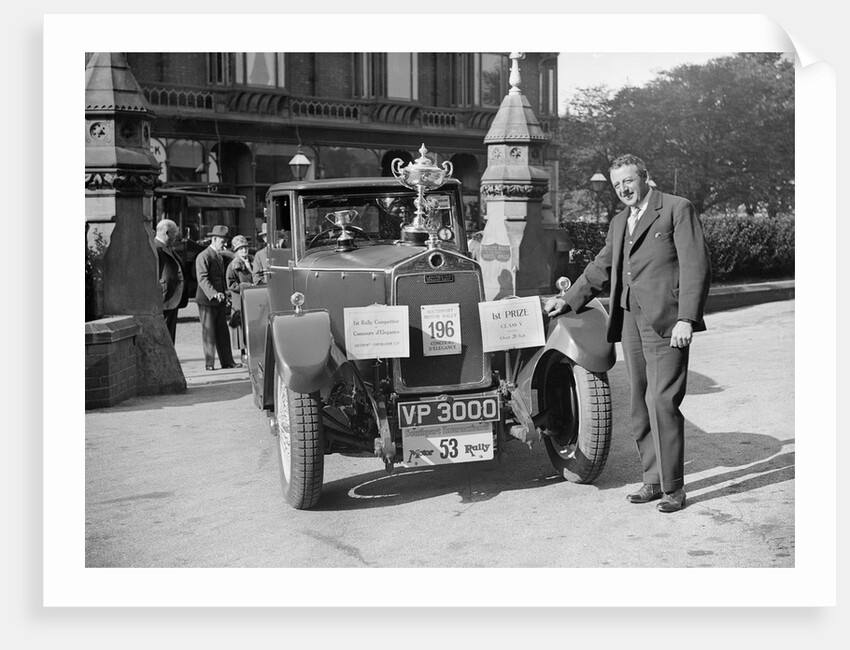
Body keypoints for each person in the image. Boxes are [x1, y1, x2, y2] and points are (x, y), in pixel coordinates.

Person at [543, 154, 711, 513]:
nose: (623, 190)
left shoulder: (676, 209)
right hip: (630, 320)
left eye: (628, 182)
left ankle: (674, 489)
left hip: (666, 321)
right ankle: (652, 481)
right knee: (639, 401)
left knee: (662, 401)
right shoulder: (620, 221)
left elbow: (696, 266)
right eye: (618, 185)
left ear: (645, 177)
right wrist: (567, 300)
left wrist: (687, 319)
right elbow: (602, 266)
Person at [195, 225, 241, 371]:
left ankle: (227, 361)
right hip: (207, 301)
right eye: (222, 241)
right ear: (214, 239)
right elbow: (202, 279)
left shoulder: (218, 255)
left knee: (222, 331)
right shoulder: (204, 256)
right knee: (209, 333)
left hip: (219, 300)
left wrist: (223, 294)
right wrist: (214, 293)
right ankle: (209, 364)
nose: (225, 244)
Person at [154, 218, 184, 343]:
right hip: (164, 298)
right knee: (164, 337)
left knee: (170, 336)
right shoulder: (156, 247)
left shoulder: (167, 247)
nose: (176, 236)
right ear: (166, 232)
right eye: (175, 233)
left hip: (172, 298)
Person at [226, 235, 253, 365]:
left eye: (245, 247)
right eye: (240, 248)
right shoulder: (233, 266)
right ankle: (244, 354)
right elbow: (231, 284)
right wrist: (246, 286)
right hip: (240, 302)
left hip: (253, 300)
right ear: (236, 251)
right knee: (242, 328)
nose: (244, 251)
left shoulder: (252, 261)